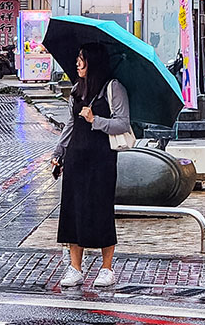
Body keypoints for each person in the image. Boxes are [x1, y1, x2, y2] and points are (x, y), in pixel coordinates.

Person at [51, 42, 132, 289]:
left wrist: (96, 120)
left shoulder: (113, 88)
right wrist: (59, 152)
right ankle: (76, 268)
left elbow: (123, 124)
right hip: (77, 156)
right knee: (73, 211)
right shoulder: (77, 89)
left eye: (82, 58)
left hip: (102, 158)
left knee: (100, 210)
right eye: (77, 57)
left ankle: (107, 268)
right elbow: (70, 125)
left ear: (93, 61)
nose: (77, 63)